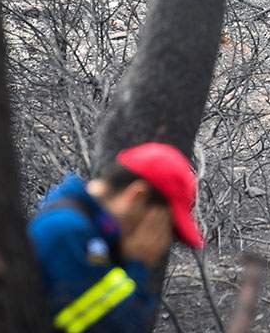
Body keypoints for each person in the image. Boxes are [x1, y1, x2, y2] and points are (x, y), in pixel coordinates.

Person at [29, 143, 204, 333]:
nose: (163, 243)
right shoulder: (69, 233)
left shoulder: (92, 233)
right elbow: (119, 327)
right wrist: (137, 263)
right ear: (137, 197)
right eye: (167, 228)